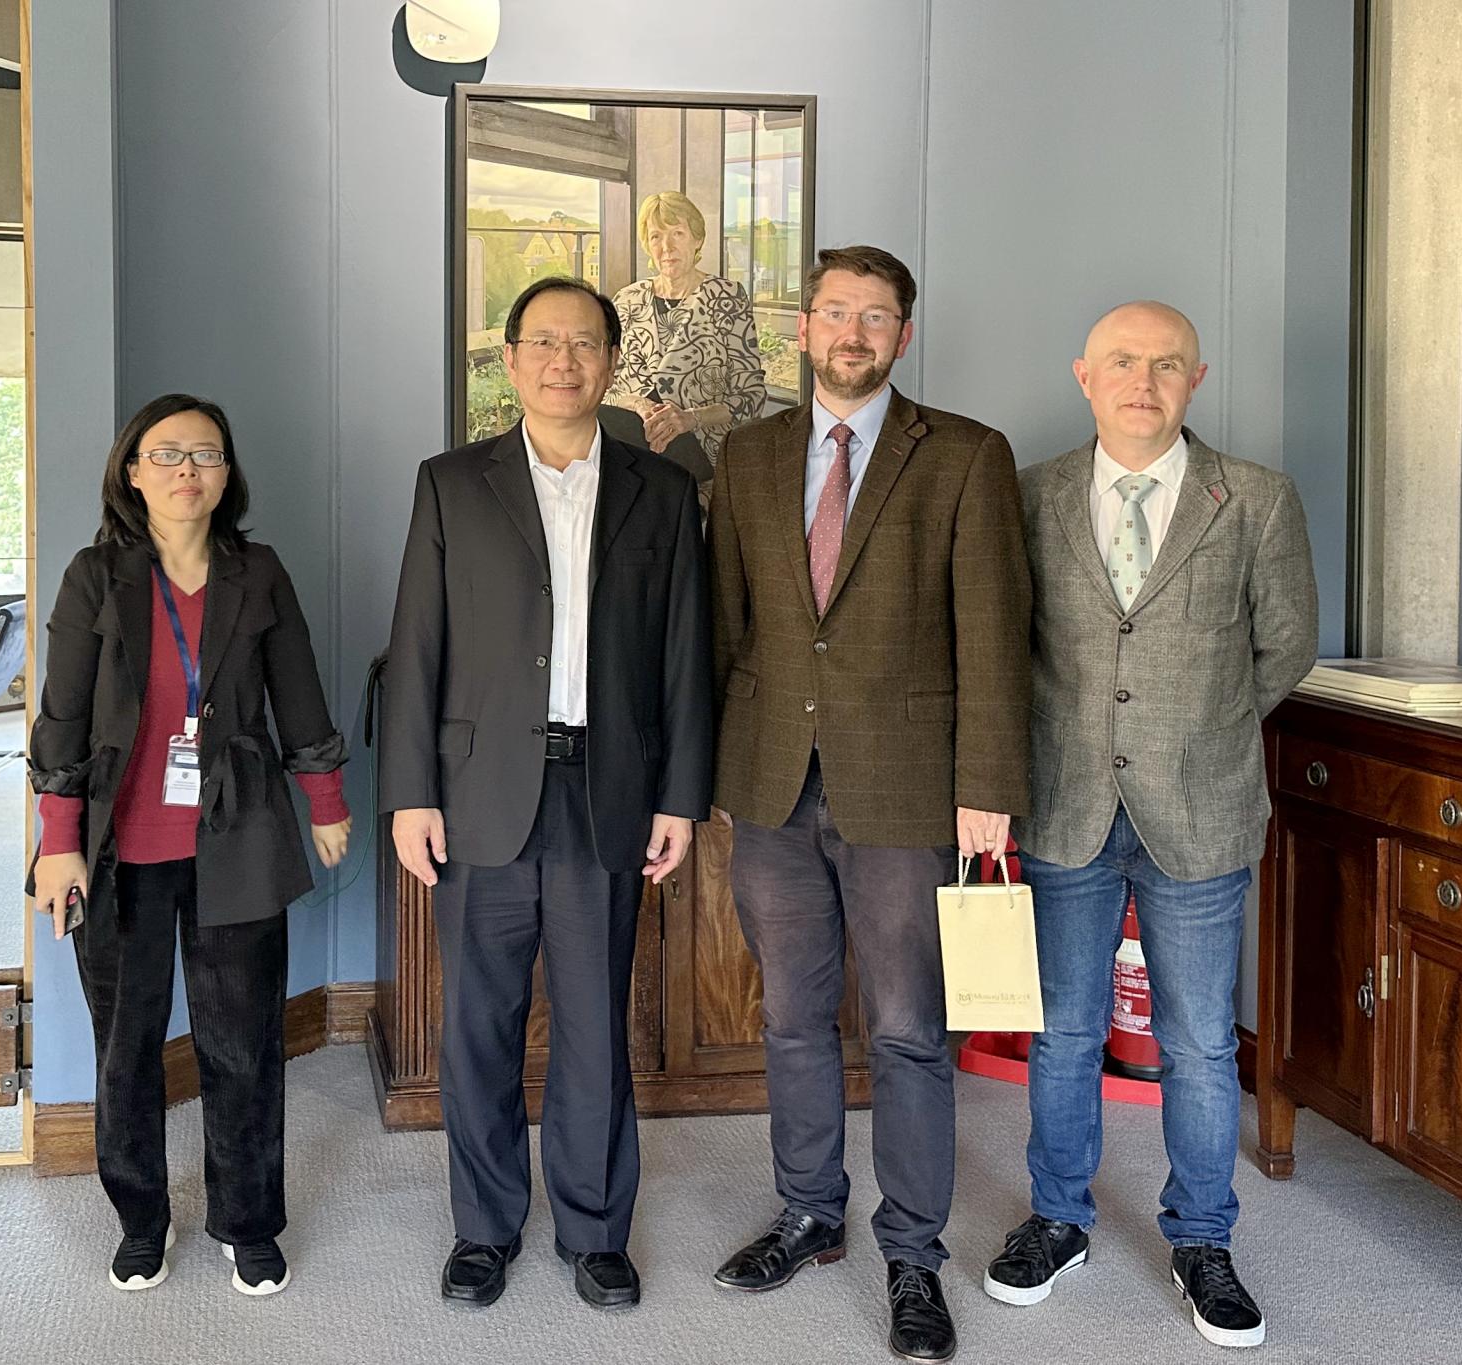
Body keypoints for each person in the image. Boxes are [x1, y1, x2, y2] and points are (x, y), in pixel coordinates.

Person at [707, 245, 1032, 1364]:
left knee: (906, 1029)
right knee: (791, 1019)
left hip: (908, 790)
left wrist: (987, 789)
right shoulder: (748, 455)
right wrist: (714, 776)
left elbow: (995, 634)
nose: (853, 332)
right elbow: (727, 625)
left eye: (876, 316)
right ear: (803, 327)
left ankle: (911, 1253)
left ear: (902, 335)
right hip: (770, 785)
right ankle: (808, 1213)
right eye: (835, 311)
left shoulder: (966, 455)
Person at [984, 302, 1316, 1350]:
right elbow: (1001, 643)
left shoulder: (1255, 497)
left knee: (1201, 1042)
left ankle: (1203, 1240)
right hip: (1065, 804)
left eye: (1166, 364)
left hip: (1201, 808)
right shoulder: (1027, 494)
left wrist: (1199, 727)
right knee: (1063, 1032)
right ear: (1084, 376)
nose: (1144, 380)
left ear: (1195, 379)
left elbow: (1287, 644)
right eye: (1122, 362)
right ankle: (1057, 1220)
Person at [380, 276, 713, 1311]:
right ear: (513, 358)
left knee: (594, 1025)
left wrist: (680, 796)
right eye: (543, 342)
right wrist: (408, 793)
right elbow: (416, 644)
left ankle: (595, 1228)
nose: (563, 361)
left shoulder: (661, 492)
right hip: (478, 792)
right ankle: (483, 1229)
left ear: (610, 360)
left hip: (606, 788)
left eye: (583, 343)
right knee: (476, 1025)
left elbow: (684, 652)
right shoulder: (452, 482)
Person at [27, 393, 352, 1298]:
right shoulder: (95, 576)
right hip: (115, 851)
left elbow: (299, 688)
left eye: (205, 454)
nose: (186, 470)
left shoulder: (260, 570)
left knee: (243, 1044)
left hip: (236, 835)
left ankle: (248, 1222)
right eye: (166, 454)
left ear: (226, 474)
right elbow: (61, 717)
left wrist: (325, 800)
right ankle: (141, 1219)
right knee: (125, 1048)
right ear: (133, 472)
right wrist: (58, 841)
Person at [609, 190, 767, 474]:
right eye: (656, 236)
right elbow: (604, 387)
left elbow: (751, 396)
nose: (666, 247)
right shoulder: (626, 300)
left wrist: (690, 418)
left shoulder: (726, 297)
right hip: (630, 448)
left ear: (697, 239)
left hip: (701, 454)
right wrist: (639, 405)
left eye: (678, 234)